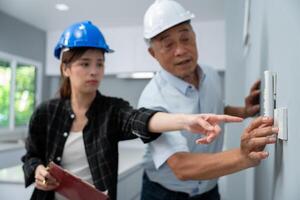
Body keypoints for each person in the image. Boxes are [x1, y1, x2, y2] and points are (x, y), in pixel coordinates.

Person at [21, 21, 243, 200]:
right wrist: (38, 170)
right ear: (65, 68)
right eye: (85, 64)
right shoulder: (45, 113)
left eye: (100, 63)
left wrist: (185, 120)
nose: (94, 71)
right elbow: (31, 157)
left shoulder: (111, 109)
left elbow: (139, 119)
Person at [138, 0, 278, 200]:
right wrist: (241, 156)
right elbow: (181, 166)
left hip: (208, 190)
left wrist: (244, 111)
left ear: (194, 37)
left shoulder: (210, 75)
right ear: (153, 53)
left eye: (185, 38)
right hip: (164, 194)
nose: (180, 50)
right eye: (168, 45)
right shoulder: (151, 101)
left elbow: (216, 109)